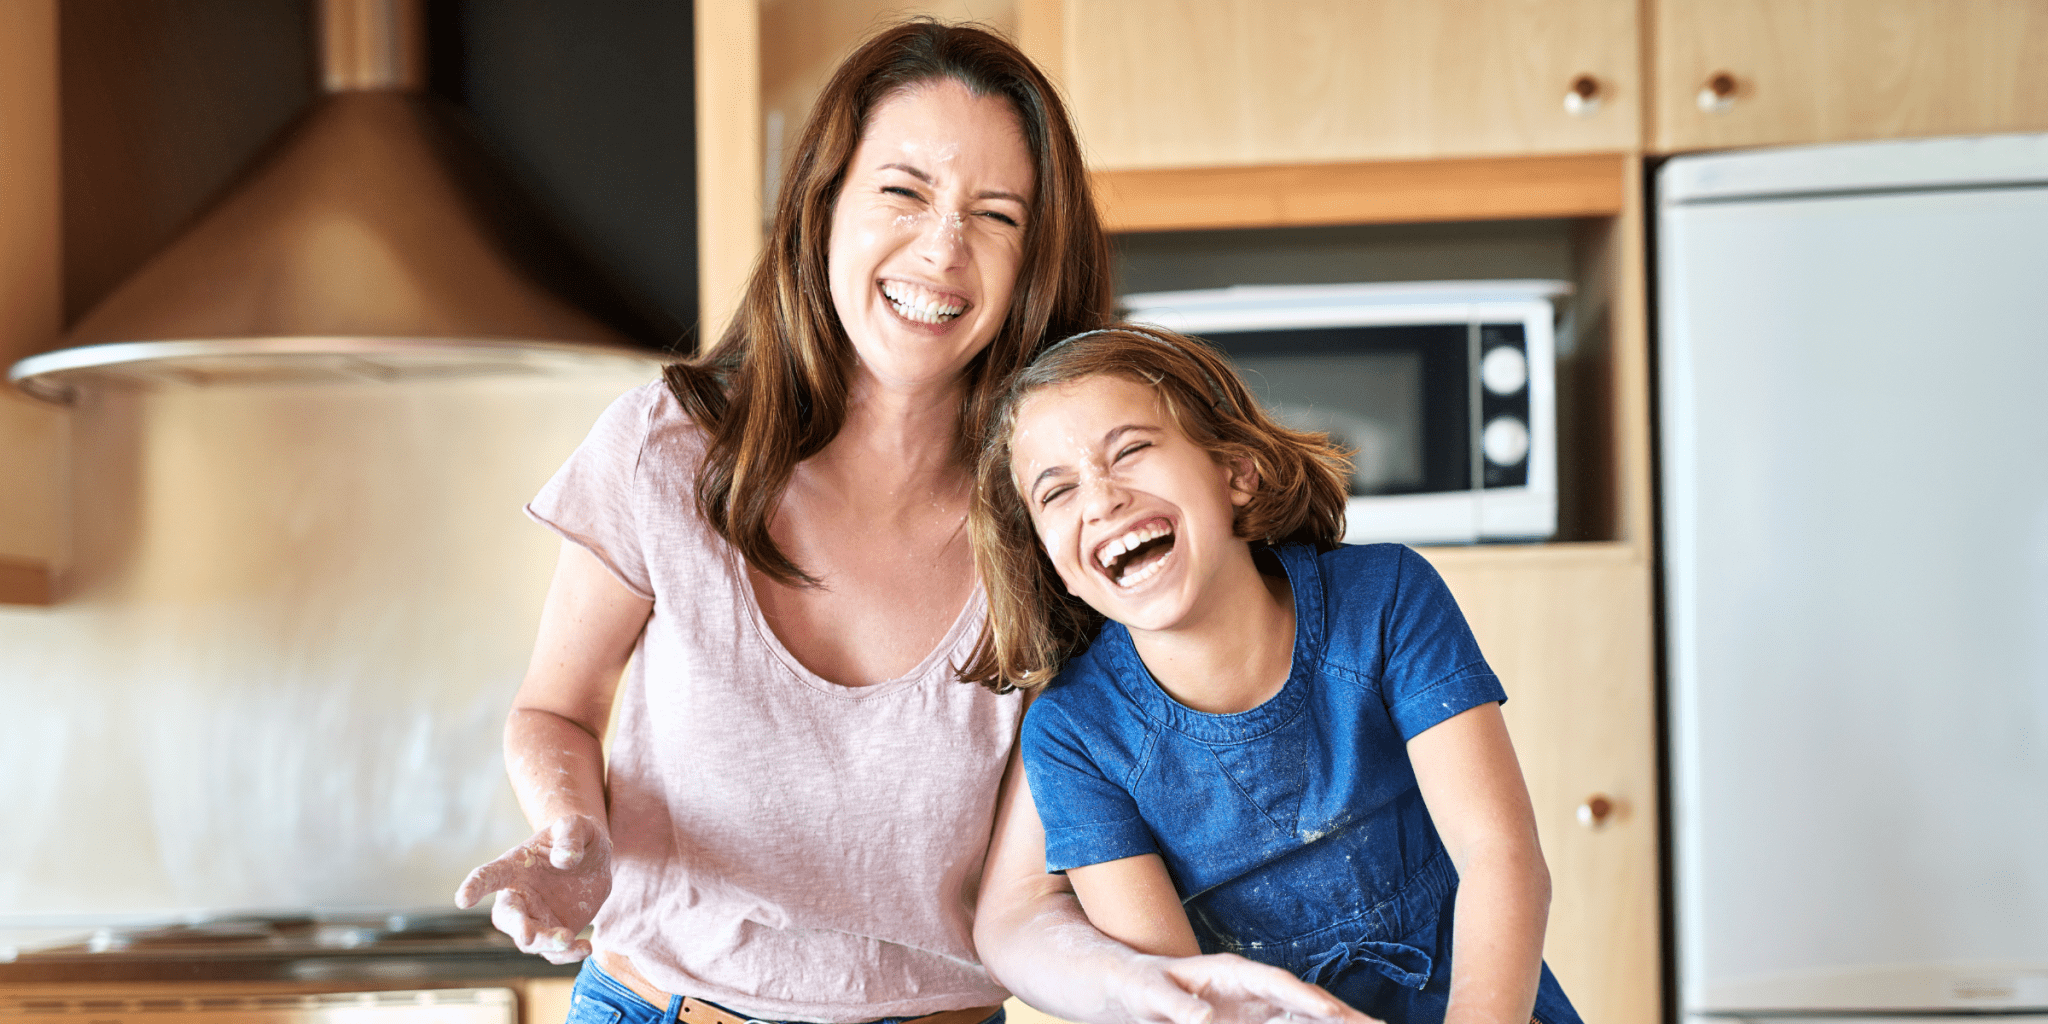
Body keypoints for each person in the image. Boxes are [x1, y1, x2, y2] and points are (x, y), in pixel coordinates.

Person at [451, 21, 1376, 1024]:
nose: (942, 247)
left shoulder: (1056, 525)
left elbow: (1027, 904)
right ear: (824, 206)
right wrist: (572, 834)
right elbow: (558, 708)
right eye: (902, 191)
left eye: (995, 215)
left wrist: (1165, 990)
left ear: (1034, 263)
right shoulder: (667, 449)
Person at [962, 325, 1586, 1024]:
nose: (1101, 498)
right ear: (1048, 560)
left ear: (1235, 470)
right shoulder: (1074, 735)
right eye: (1058, 492)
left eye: (1131, 450)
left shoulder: (1386, 597)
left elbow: (1499, 851)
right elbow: (1182, 995)